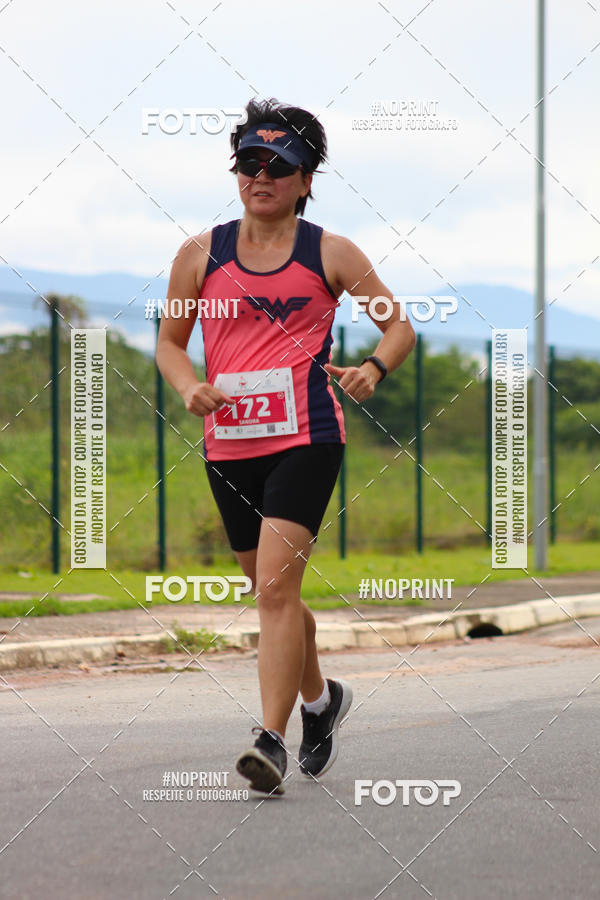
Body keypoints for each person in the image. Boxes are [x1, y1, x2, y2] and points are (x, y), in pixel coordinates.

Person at [156, 97, 416, 795]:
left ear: (306, 179)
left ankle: (268, 740)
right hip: (229, 443)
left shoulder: (331, 253)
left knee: (274, 587)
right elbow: (171, 344)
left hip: (307, 435)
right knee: (274, 592)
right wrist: (188, 386)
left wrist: (374, 368)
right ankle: (322, 700)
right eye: (249, 163)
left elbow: (399, 327)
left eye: (278, 165)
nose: (261, 176)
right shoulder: (199, 254)